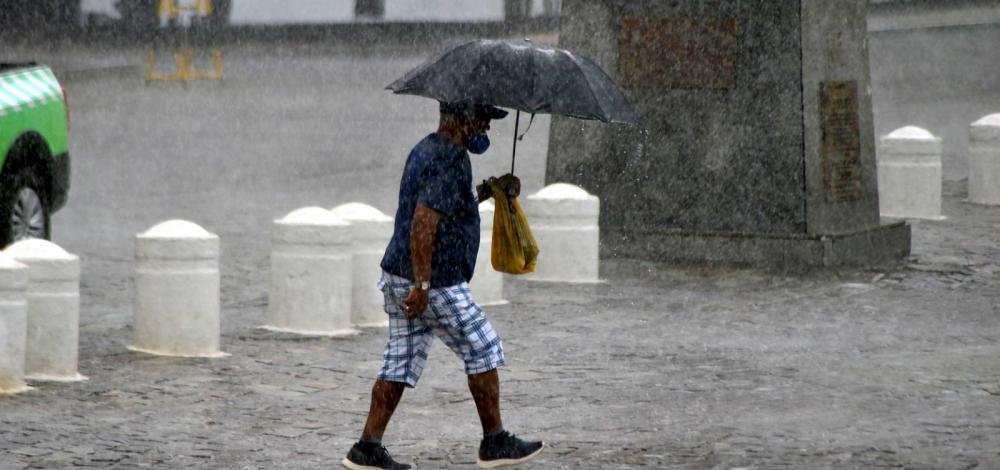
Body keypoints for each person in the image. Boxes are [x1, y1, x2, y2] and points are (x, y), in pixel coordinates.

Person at [341, 102, 544, 470]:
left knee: (399, 361)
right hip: (434, 281)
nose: (485, 126)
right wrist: (423, 284)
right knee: (482, 347)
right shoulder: (450, 159)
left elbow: (450, 203)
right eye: (481, 118)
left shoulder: (428, 148)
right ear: (460, 118)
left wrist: (490, 189)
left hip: (399, 273)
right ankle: (494, 441)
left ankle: (367, 448)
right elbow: (424, 221)